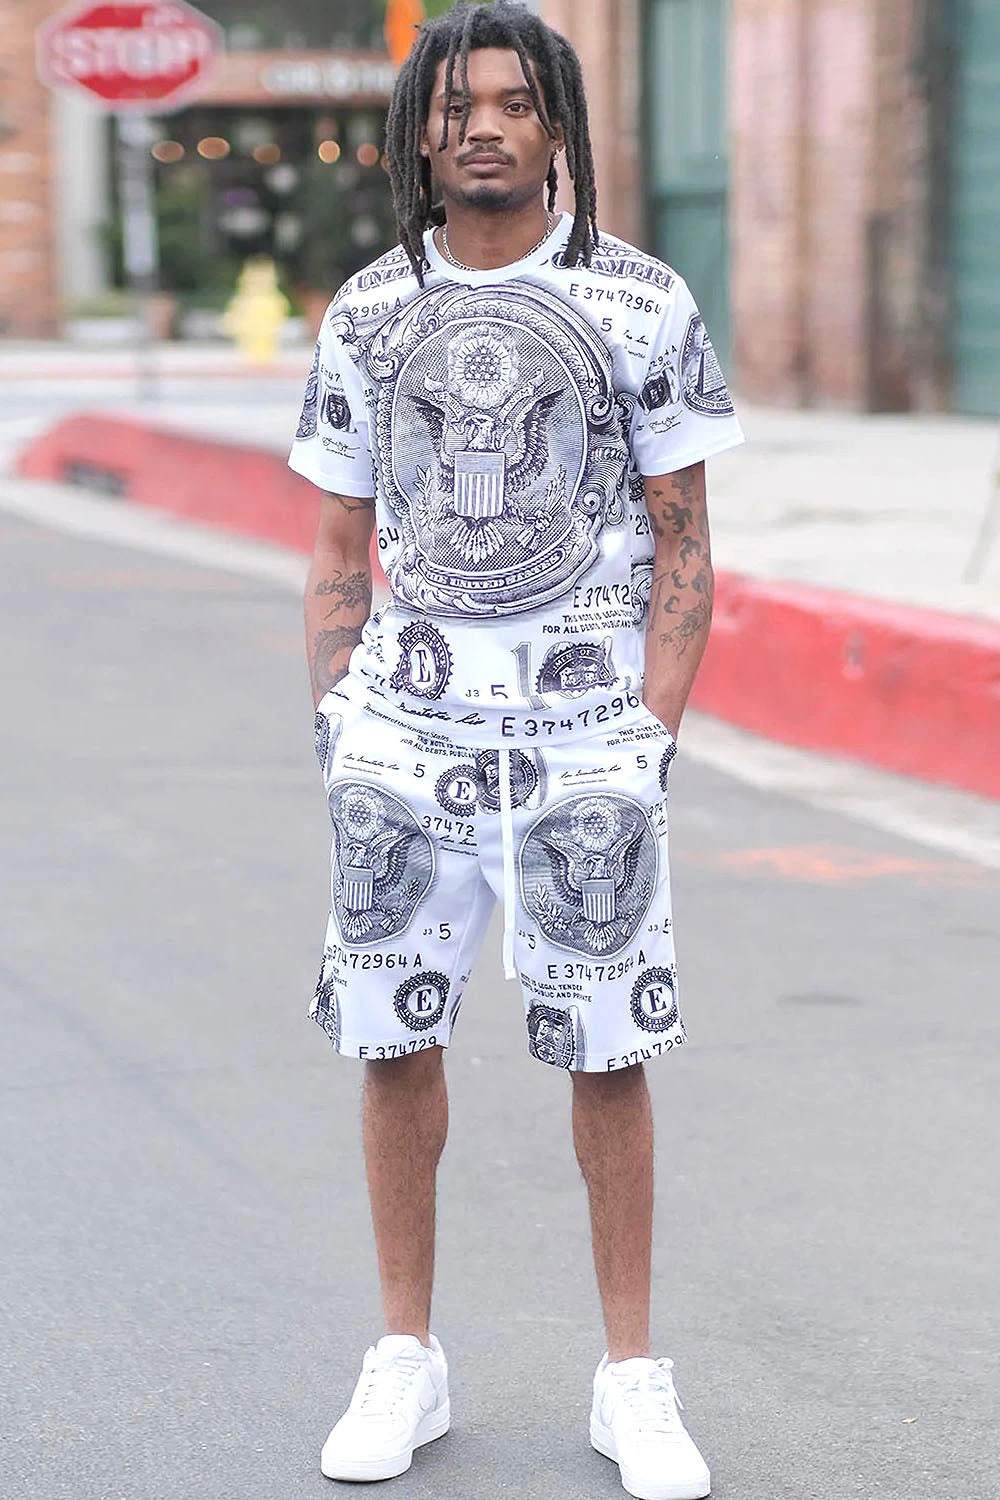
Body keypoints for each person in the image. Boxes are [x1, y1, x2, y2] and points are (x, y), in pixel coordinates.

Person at [288, 4, 743, 1496]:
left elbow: (686, 539)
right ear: (419, 131)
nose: (481, 125)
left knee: (609, 1055)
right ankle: (404, 1355)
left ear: (558, 127)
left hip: (584, 740)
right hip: (404, 737)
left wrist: (646, 738)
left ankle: (631, 1377)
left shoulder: (641, 300)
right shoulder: (368, 311)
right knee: (391, 1041)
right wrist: (340, 726)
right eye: (455, 104)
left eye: (512, 102)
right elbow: (338, 542)